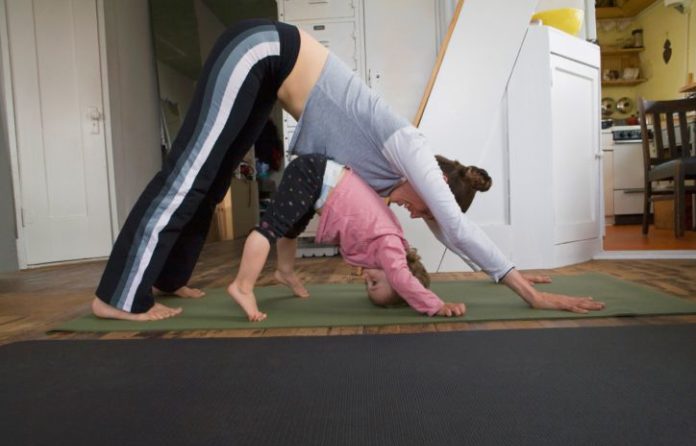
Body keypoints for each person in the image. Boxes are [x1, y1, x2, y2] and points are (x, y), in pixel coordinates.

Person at [91, 19, 604, 321]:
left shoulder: (409, 184)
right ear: (436, 186)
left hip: (269, 75)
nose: (405, 209)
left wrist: (504, 274)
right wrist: (531, 294)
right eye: (418, 207)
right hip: (262, 50)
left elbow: (451, 233)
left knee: (218, 174)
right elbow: (455, 224)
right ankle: (116, 295)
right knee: (190, 172)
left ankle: (170, 275)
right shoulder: (414, 150)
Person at [229, 154, 479, 321]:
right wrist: (436, 305)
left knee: (291, 228)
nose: (367, 279)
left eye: (366, 285)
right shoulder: (390, 246)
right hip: (317, 176)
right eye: (375, 283)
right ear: (397, 272)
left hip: (320, 183)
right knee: (270, 228)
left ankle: (284, 271)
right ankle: (243, 286)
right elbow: (402, 279)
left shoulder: (389, 245)